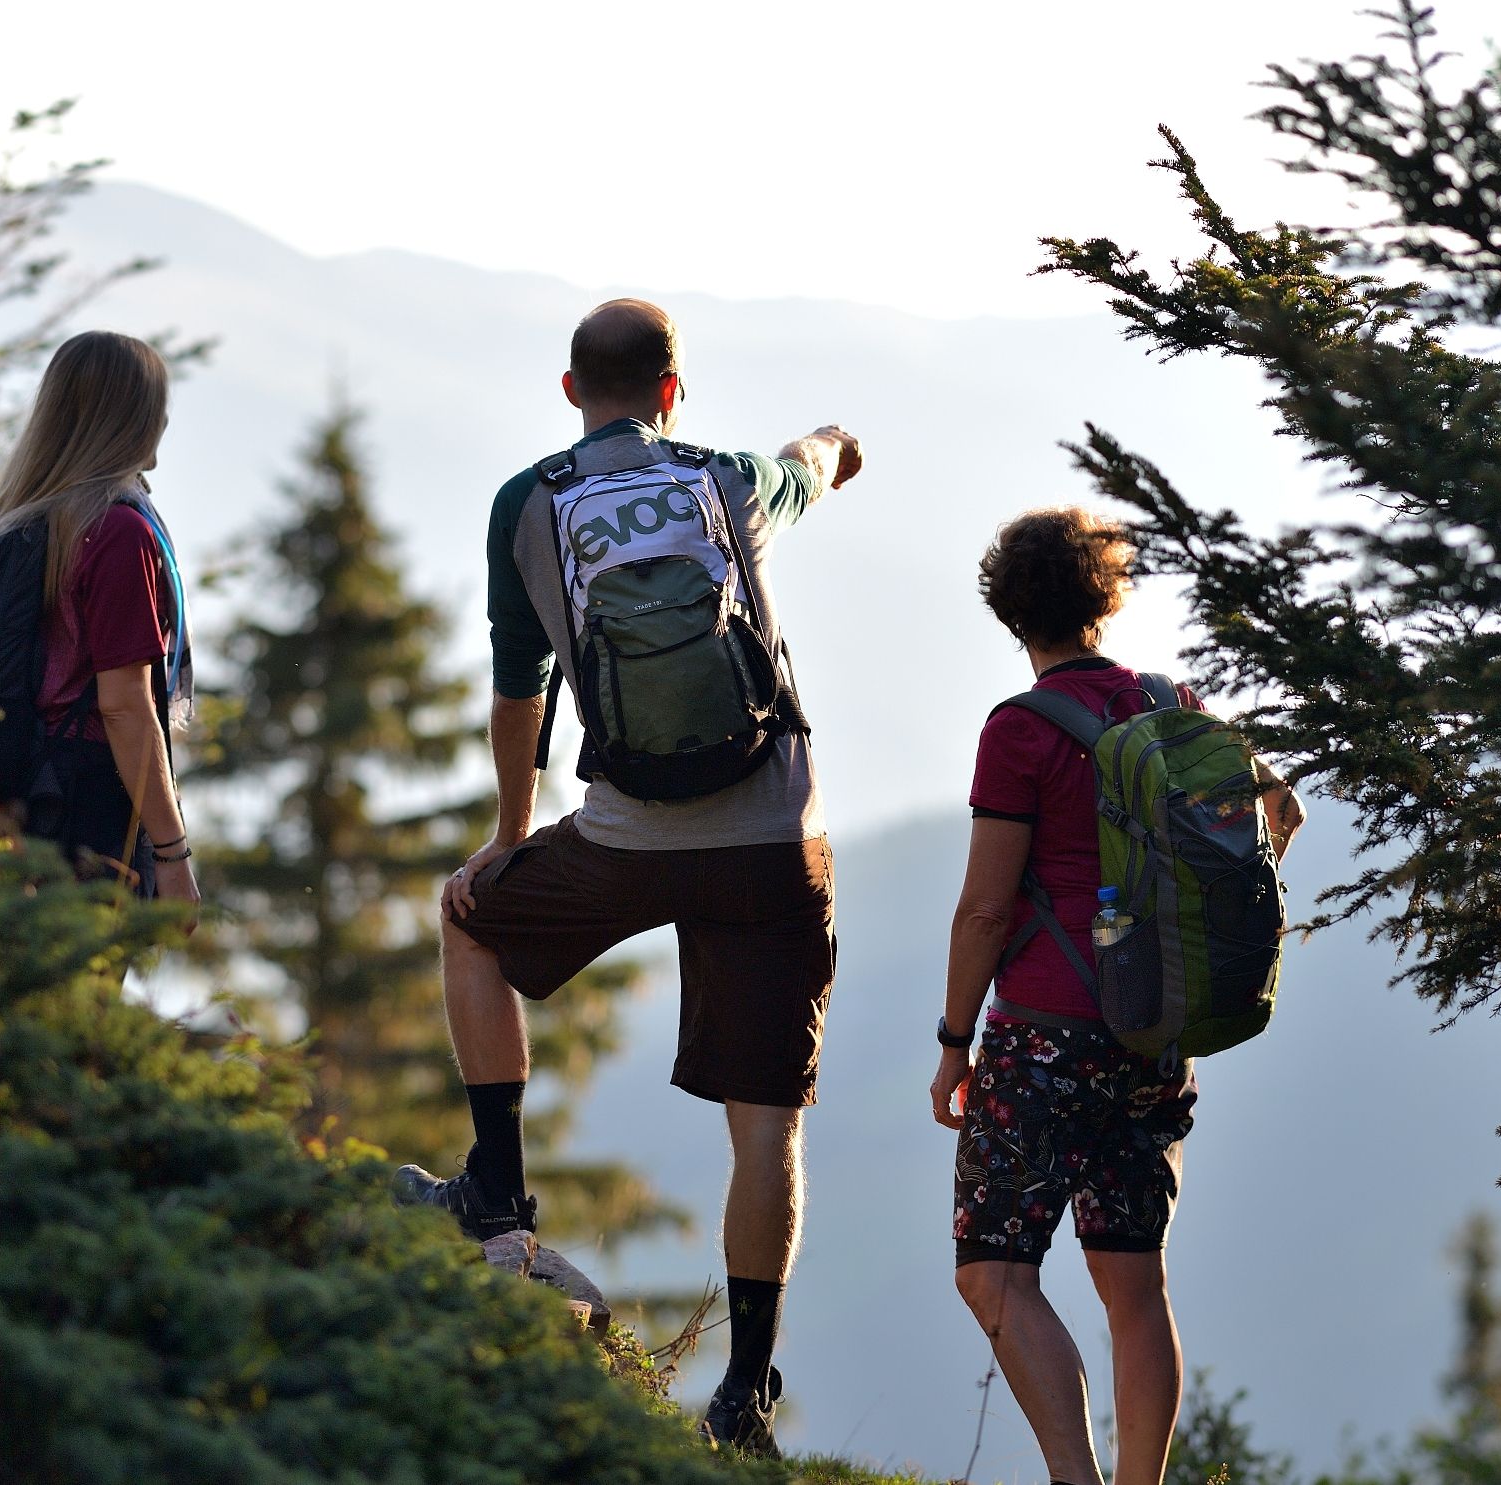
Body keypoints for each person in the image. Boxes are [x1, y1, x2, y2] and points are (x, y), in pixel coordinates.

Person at [393, 299, 861, 1457]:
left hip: (626, 837)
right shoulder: (730, 480)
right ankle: (742, 1397)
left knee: (470, 922)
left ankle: (495, 1193)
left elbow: (519, 689)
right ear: (671, 390)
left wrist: (509, 835)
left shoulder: (529, 503)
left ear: (570, 391)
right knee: (767, 1130)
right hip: (772, 839)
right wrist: (836, 444)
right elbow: (813, 460)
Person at [928, 507, 1302, 1485]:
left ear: (1008, 610)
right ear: (1106, 594)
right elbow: (1281, 810)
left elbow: (984, 909)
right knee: (1134, 1284)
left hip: (1045, 1037)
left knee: (994, 1271)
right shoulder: (1170, 701)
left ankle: (1074, 1479)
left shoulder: (1018, 729)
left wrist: (953, 1042)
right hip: (1156, 1033)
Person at [0, 330, 200, 919]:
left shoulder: (22, 521)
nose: (166, 422)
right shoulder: (117, 531)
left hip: (14, 799)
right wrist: (172, 854)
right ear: (133, 419)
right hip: (86, 807)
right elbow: (123, 705)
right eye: (158, 406)